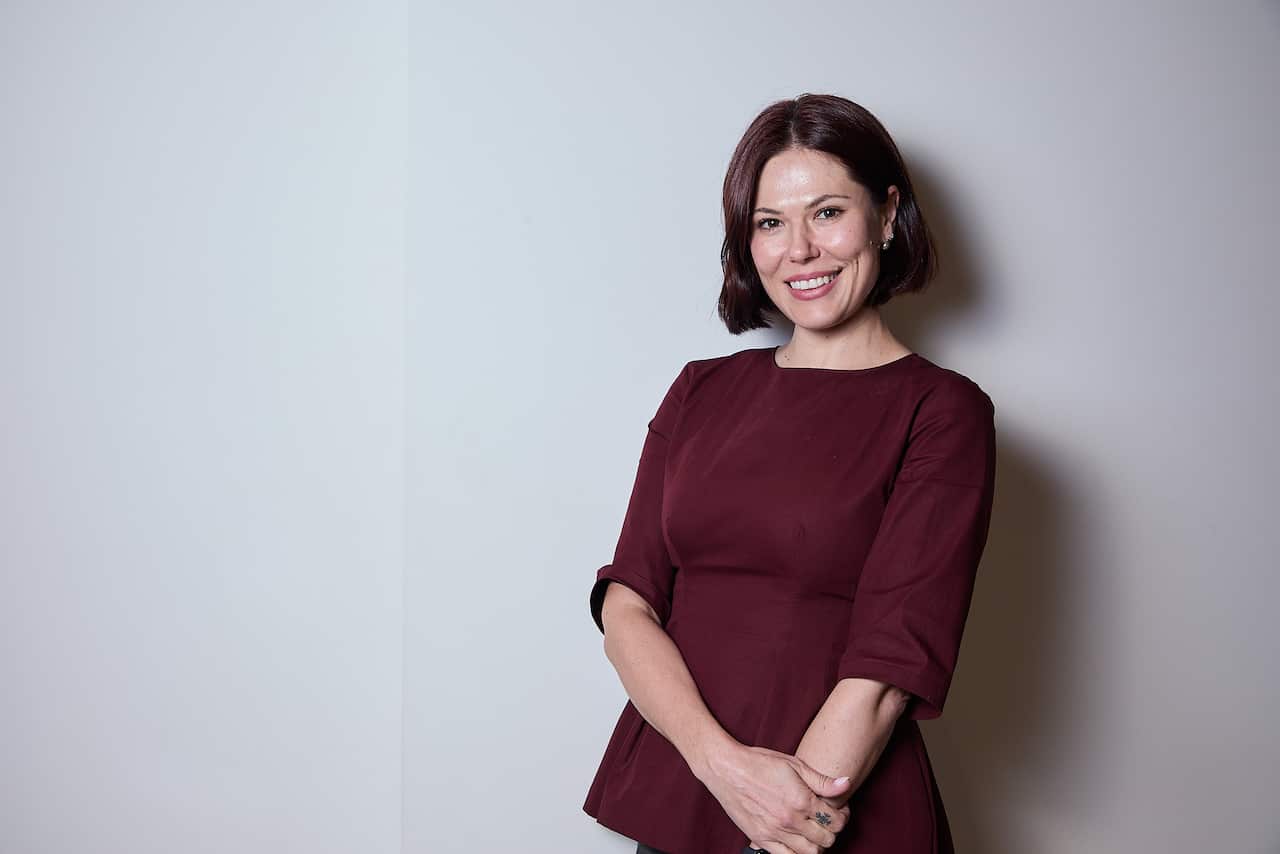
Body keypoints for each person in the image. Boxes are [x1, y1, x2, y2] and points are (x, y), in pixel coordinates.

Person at [581, 93, 998, 854]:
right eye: (769, 223)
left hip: (828, 810)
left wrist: (780, 823)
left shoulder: (941, 411)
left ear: (886, 214)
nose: (799, 250)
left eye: (827, 213)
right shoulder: (699, 390)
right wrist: (722, 767)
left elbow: (890, 664)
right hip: (689, 792)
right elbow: (628, 602)